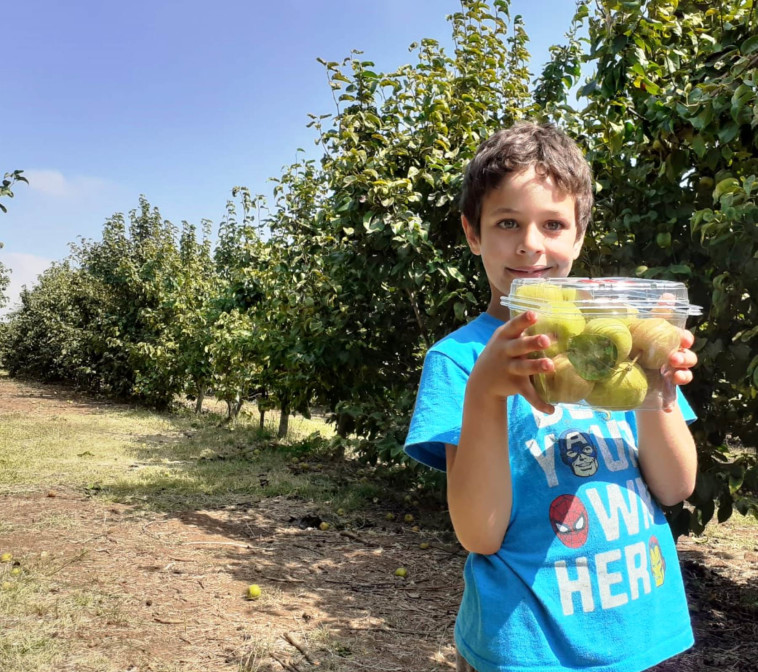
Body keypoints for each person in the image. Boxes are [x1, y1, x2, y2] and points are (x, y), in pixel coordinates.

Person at [404, 121, 698, 672]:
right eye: (507, 222)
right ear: (473, 233)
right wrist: (486, 393)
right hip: (525, 649)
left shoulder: (621, 336)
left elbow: (676, 487)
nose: (531, 244)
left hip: (637, 637)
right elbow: (479, 533)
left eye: (554, 224)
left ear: (580, 235)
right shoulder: (462, 360)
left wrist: (655, 386)